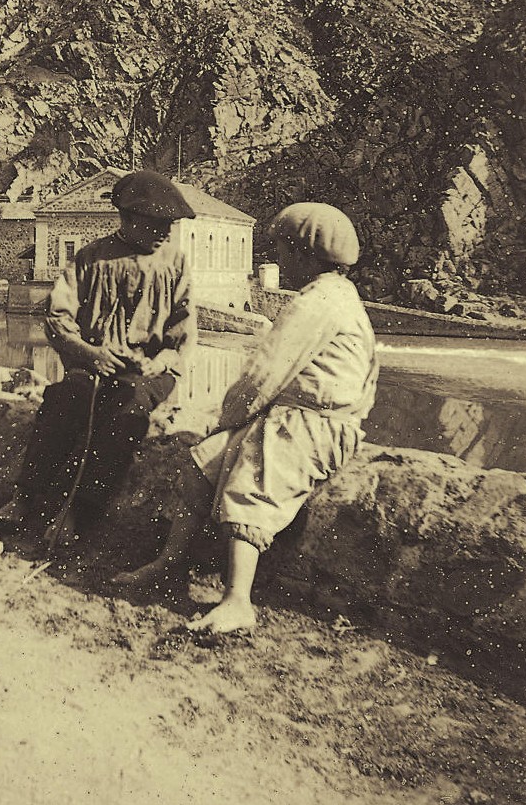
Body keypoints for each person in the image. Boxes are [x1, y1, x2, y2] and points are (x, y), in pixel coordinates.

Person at [115, 202, 378, 639]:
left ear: (306, 255)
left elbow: (262, 376)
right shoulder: (336, 297)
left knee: (250, 482)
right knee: (202, 463)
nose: (277, 259)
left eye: (282, 249)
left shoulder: (316, 304)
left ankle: (238, 601)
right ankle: (169, 564)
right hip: (301, 418)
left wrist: (226, 419)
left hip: (314, 425)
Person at [0, 169, 197, 548]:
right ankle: (25, 497)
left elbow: (183, 332)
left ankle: (79, 512)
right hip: (94, 362)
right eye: (157, 224)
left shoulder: (175, 263)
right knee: (63, 401)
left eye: (170, 225)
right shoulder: (91, 258)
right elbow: (57, 316)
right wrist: (87, 353)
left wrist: (163, 360)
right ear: (128, 219)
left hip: (147, 370)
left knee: (126, 412)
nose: (166, 233)